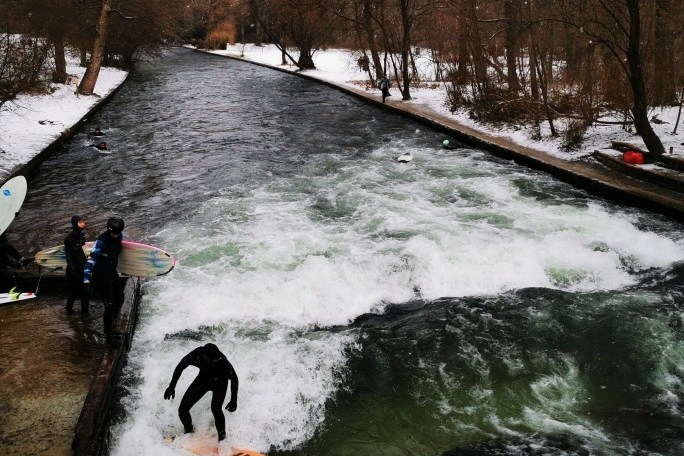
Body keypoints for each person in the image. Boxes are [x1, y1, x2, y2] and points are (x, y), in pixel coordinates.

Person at [164, 343, 239, 442]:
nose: (218, 359)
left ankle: (223, 440)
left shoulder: (222, 361)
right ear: (205, 357)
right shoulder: (196, 355)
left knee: (216, 410)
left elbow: (234, 379)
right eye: (215, 359)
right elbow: (181, 366)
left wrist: (234, 400)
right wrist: (172, 386)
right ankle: (189, 431)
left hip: (220, 382)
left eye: (219, 357)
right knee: (183, 410)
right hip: (203, 379)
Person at [83, 217, 125, 346]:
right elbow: (90, 261)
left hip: (112, 272)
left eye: (117, 233)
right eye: (113, 233)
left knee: (120, 299)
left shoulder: (119, 236)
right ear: (108, 230)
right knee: (110, 305)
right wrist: (86, 281)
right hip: (101, 276)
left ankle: (111, 326)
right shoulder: (101, 242)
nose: (115, 235)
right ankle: (108, 337)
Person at [64, 214, 89, 315]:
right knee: (75, 291)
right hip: (74, 269)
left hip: (83, 267)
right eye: (80, 222)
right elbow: (69, 257)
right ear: (75, 224)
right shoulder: (69, 239)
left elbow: (83, 252)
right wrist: (74, 271)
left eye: (83, 222)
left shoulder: (81, 235)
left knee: (86, 291)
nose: (83, 224)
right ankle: (69, 310)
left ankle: (85, 312)